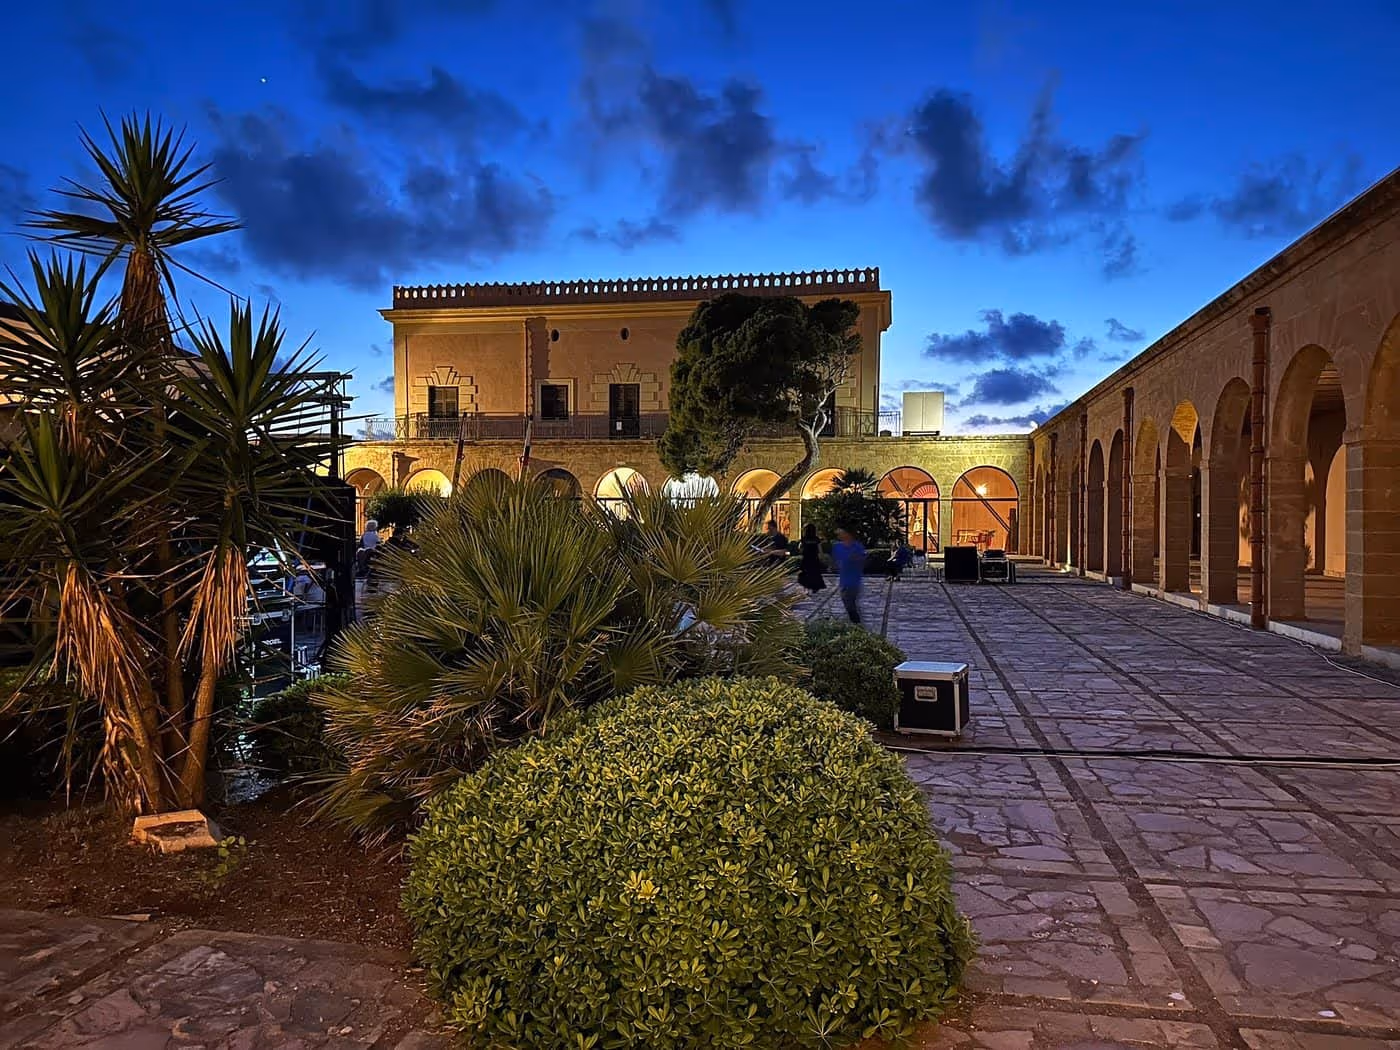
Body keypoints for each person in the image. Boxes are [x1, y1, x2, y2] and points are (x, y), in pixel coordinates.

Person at [830, 527, 866, 624]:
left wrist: (854, 559)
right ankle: (855, 624)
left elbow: (862, 561)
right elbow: (835, 563)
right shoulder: (837, 547)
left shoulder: (857, 547)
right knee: (848, 604)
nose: (840, 535)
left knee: (850, 604)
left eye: (842, 532)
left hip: (853, 581)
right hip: (843, 581)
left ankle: (856, 623)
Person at [796, 523, 826, 594]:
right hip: (814, 559)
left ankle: (806, 588)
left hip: (806, 559)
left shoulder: (804, 539)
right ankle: (815, 587)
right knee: (815, 573)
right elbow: (820, 550)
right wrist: (822, 558)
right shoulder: (816, 539)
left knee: (805, 574)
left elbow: (800, 549)